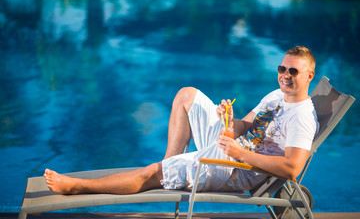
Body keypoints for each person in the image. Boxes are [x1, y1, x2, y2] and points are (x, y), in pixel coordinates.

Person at [44, 46, 319, 195]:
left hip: (237, 167)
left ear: (309, 76)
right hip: (234, 148)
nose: (285, 74)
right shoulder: (276, 95)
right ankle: (170, 169)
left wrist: (240, 152)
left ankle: (78, 186)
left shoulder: (302, 116)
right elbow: (244, 127)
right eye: (282, 68)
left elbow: (292, 168)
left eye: (294, 71)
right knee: (187, 95)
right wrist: (228, 120)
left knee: (150, 174)